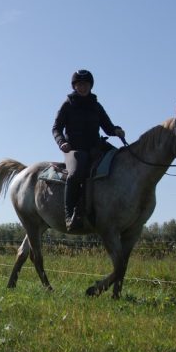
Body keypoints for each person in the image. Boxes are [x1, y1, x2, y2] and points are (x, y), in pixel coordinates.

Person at [52, 69, 125, 231]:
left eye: (85, 84)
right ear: (74, 86)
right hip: (74, 149)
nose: (82, 87)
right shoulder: (68, 104)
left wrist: (116, 130)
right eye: (79, 84)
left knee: (120, 159)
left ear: (90, 86)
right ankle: (69, 214)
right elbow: (56, 128)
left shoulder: (96, 106)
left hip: (95, 147)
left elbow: (108, 127)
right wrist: (62, 142)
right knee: (75, 174)